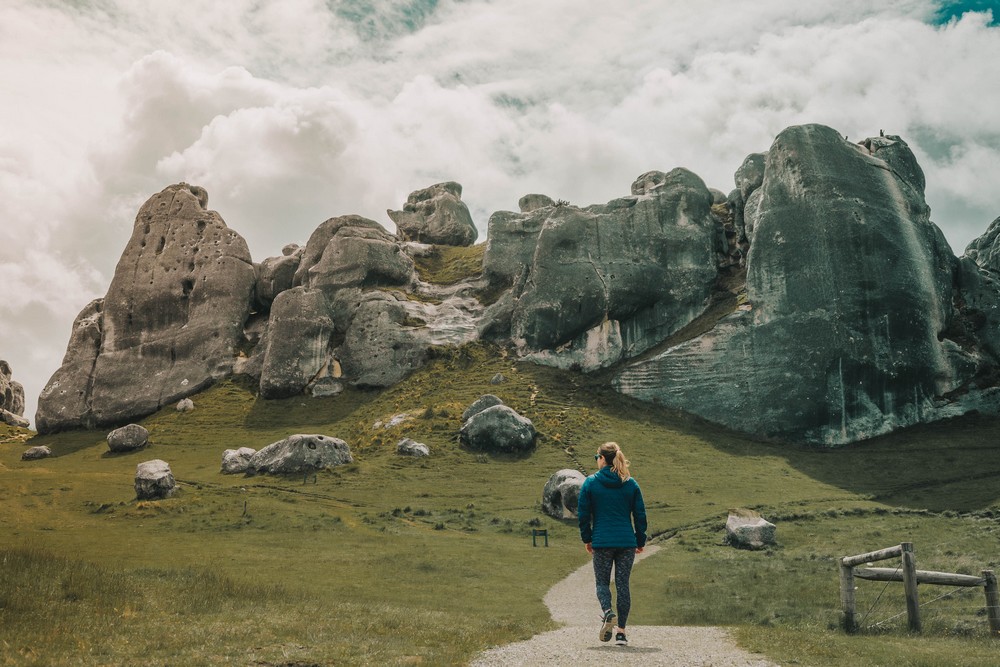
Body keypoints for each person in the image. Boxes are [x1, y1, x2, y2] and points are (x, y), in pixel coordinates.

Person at [577, 441, 647, 647]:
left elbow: (583, 515)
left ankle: (608, 613)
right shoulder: (631, 483)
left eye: (596, 457)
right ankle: (621, 634)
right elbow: (640, 515)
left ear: (602, 459)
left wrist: (587, 538)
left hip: (602, 542)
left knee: (602, 583)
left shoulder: (590, 483)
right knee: (623, 584)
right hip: (626, 542)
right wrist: (640, 540)